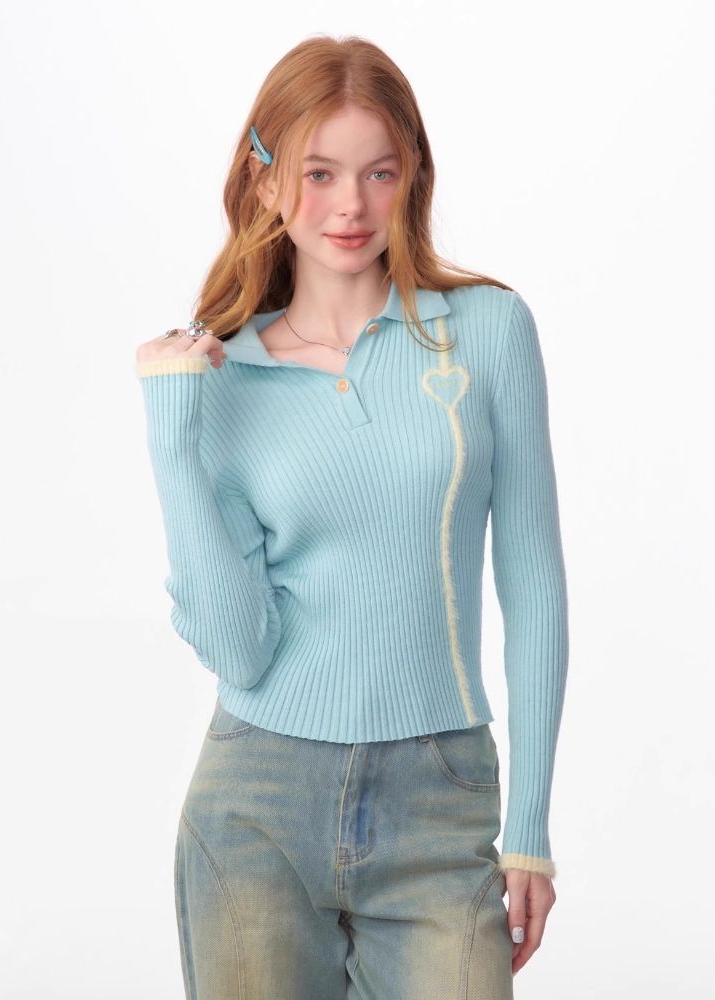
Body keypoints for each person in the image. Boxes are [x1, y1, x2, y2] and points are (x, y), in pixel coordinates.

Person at [134, 34, 568, 1000]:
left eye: (380, 171)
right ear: (265, 180)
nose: (351, 207)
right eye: (319, 172)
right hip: (255, 806)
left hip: (440, 797)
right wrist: (172, 437)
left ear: (412, 177)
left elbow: (534, 584)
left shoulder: (488, 331)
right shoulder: (219, 376)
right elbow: (237, 646)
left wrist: (530, 829)